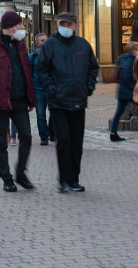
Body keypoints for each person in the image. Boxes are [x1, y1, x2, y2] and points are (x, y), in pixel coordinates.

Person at [38, 12, 99, 192]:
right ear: (58, 25)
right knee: (63, 139)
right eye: (62, 23)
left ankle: (74, 179)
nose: (65, 26)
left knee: (76, 143)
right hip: (58, 102)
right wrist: (52, 89)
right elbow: (42, 70)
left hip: (78, 101)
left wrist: (88, 87)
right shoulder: (50, 45)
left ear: (74, 25)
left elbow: (93, 68)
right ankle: (63, 178)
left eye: (69, 24)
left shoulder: (83, 45)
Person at [0, 11, 35, 192]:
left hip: (19, 101)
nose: (23, 28)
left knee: (26, 136)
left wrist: (31, 97)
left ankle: (20, 173)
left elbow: (26, 71)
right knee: (1, 141)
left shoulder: (20, 44)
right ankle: (6, 178)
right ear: (11, 27)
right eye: (20, 25)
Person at [111, 41, 138, 142]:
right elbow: (128, 75)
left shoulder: (122, 57)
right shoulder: (132, 59)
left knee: (118, 112)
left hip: (122, 90)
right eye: (137, 48)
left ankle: (113, 133)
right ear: (133, 49)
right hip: (129, 91)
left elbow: (116, 74)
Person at [29, 33, 53, 146]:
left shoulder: (53, 54)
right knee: (40, 114)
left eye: (46, 40)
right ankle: (44, 137)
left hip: (51, 88)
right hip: (38, 89)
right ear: (37, 43)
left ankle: (53, 133)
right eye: (42, 40)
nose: (45, 42)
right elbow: (28, 74)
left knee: (54, 112)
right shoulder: (33, 57)